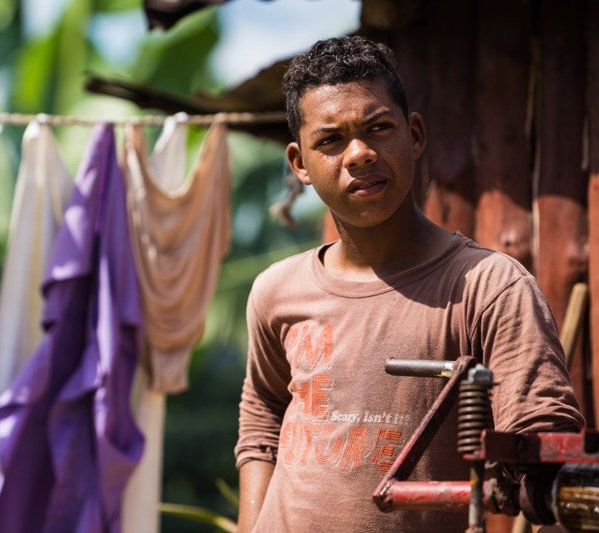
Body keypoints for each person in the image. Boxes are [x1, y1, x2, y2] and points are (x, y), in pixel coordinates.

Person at [234, 34, 585, 532]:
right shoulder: (277, 291)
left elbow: (541, 438)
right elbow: (263, 416)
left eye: (378, 128)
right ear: (299, 164)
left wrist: (539, 476)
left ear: (414, 135)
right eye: (330, 141)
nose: (358, 154)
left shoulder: (489, 288)